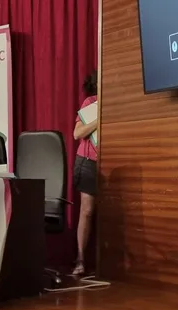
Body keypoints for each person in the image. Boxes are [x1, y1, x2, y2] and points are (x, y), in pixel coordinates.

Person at [71, 71, 99, 276]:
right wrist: (100, 119)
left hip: (113, 162)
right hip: (88, 162)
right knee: (87, 211)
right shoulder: (91, 102)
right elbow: (77, 133)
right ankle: (80, 259)